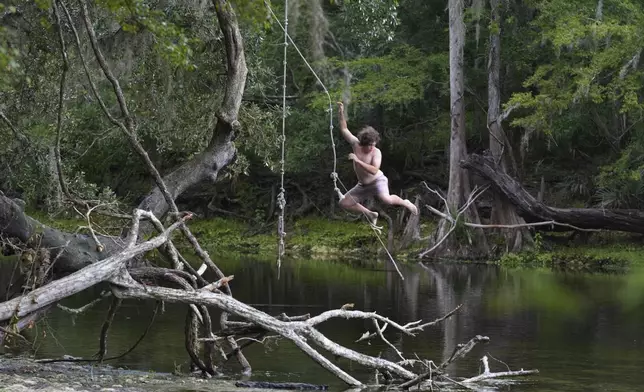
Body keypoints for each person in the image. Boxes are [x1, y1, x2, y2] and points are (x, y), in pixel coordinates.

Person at [336, 102, 418, 226]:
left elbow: (374, 170)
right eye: (370, 146)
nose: (372, 148)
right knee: (343, 203)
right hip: (362, 185)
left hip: (378, 181)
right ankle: (370, 214)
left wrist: (357, 161)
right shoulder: (356, 144)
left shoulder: (376, 152)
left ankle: (405, 202)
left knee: (387, 199)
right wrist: (341, 112)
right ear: (363, 144)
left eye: (374, 145)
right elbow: (344, 129)